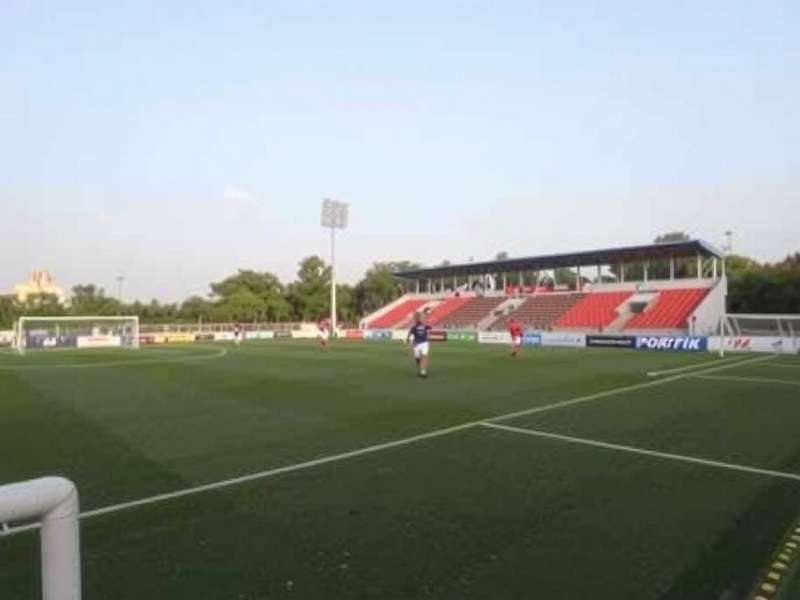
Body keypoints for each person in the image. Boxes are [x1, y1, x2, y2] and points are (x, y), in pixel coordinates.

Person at [407, 313, 432, 378]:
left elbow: (428, 331)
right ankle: (421, 369)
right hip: (418, 344)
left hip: (422, 343)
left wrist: (410, 345)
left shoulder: (424, 326)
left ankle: (423, 372)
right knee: (419, 358)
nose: (422, 319)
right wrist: (410, 344)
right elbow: (411, 336)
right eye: (421, 317)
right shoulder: (415, 327)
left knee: (424, 357)